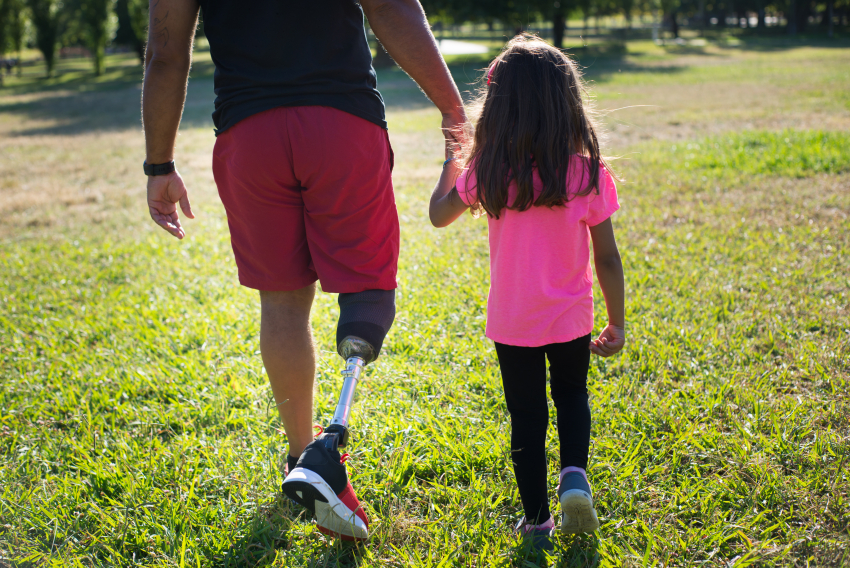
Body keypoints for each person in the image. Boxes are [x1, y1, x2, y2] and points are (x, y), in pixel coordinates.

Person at [142, 0, 465, 540]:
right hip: (341, 123)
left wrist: (159, 165)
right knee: (368, 292)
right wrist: (453, 111)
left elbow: (165, 53)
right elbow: (390, 7)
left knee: (282, 302)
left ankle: (300, 456)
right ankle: (326, 455)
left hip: (249, 137)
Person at [429, 35, 626, 553]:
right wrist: (617, 321)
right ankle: (574, 476)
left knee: (527, 415)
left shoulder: (489, 171)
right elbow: (607, 258)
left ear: (499, 106)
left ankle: (537, 522)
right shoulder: (586, 172)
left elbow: (438, 215)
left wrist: (453, 157)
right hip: (571, 317)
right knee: (572, 395)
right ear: (567, 102)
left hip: (513, 321)